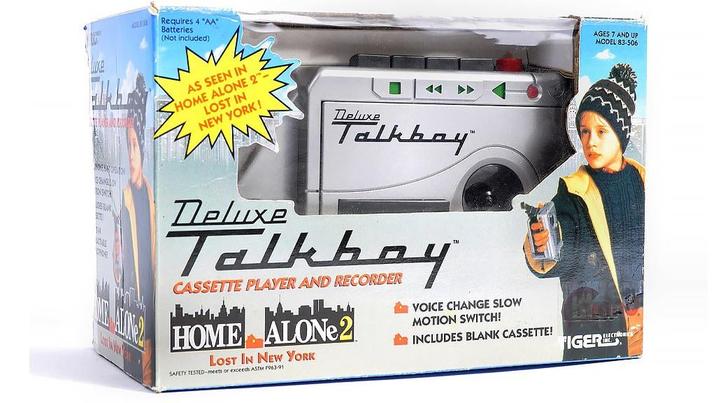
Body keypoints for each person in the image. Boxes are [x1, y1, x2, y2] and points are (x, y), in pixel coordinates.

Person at [523, 64, 644, 360]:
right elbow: (565, 247)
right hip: (591, 326)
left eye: (602, 131)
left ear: (621, 133)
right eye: (585, 131)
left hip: (641, 326)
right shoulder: (574, 190)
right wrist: (546, 242)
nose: (590, 141)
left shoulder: (644, 181)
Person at [119, 73, 156, 384]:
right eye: (127, 145)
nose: (131, 154)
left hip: (154, 313)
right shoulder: (125, 199)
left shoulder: (152, 198)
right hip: (133, 315)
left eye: (135, 145)